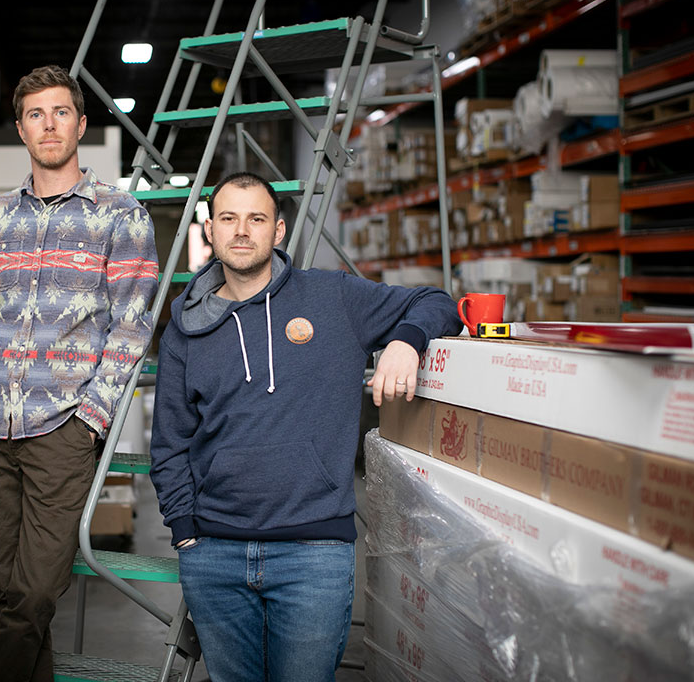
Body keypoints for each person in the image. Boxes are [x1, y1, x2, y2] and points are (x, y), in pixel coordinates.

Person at [149, 171, 461, 681]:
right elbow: (170, 438)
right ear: (210, 231)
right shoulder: (188, 324)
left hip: (312, 556)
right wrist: (185, 530)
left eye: (257, 218)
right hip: (215, 554)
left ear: (279, 231)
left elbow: (437, 303)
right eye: (228, 218)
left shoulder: (332, 297)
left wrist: (405, 342)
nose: (242, 230)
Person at [0, 65, 159, 681]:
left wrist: (90, 422)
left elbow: (131, 327)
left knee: (31, 599)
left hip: (61, 430)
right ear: (21, 128)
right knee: (14, 595)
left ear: (81, 123)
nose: (50, 124)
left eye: (61, 112)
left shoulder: (121, 218)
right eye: (36, 115)